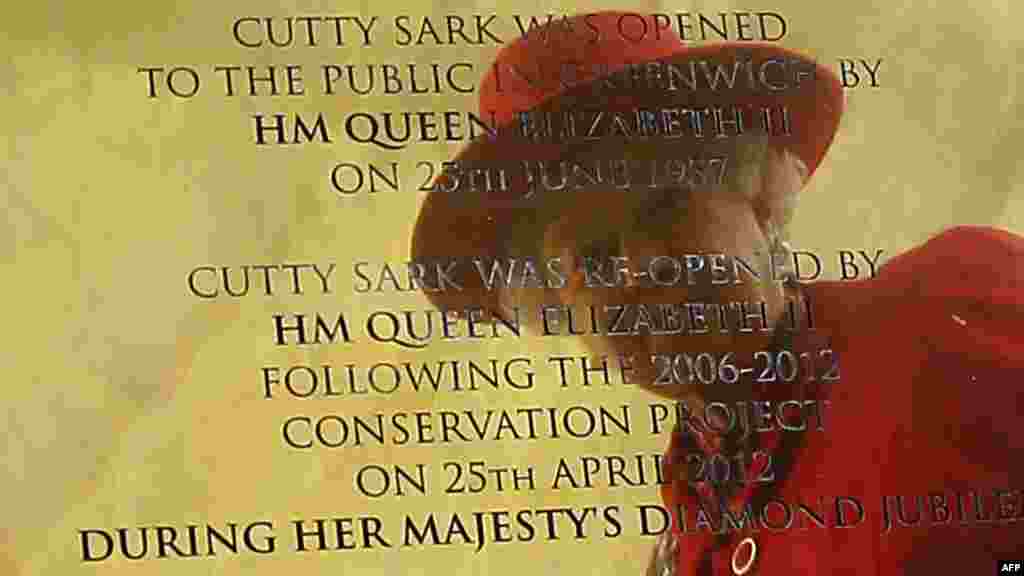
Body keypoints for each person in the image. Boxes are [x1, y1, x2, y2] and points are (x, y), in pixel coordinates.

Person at [411, 11, 1024, 575]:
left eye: (663, 207)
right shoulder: (688, 527)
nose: (638, 267)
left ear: (760, 197)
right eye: (592, 260)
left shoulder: (957, 300)